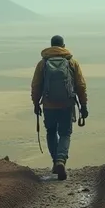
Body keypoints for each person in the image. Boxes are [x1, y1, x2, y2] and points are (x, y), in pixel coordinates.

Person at [31, 35, 88, 180]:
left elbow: (36, 85)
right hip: (67, 104)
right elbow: (80, 85)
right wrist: (83, 105)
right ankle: (61, 160)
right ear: (63, 46)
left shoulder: (43, 63)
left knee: (51, 132)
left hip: (48, 105)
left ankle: (55, 161)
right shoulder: (71, 62)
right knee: (65, 133)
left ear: (51, 46)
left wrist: (36, 103)